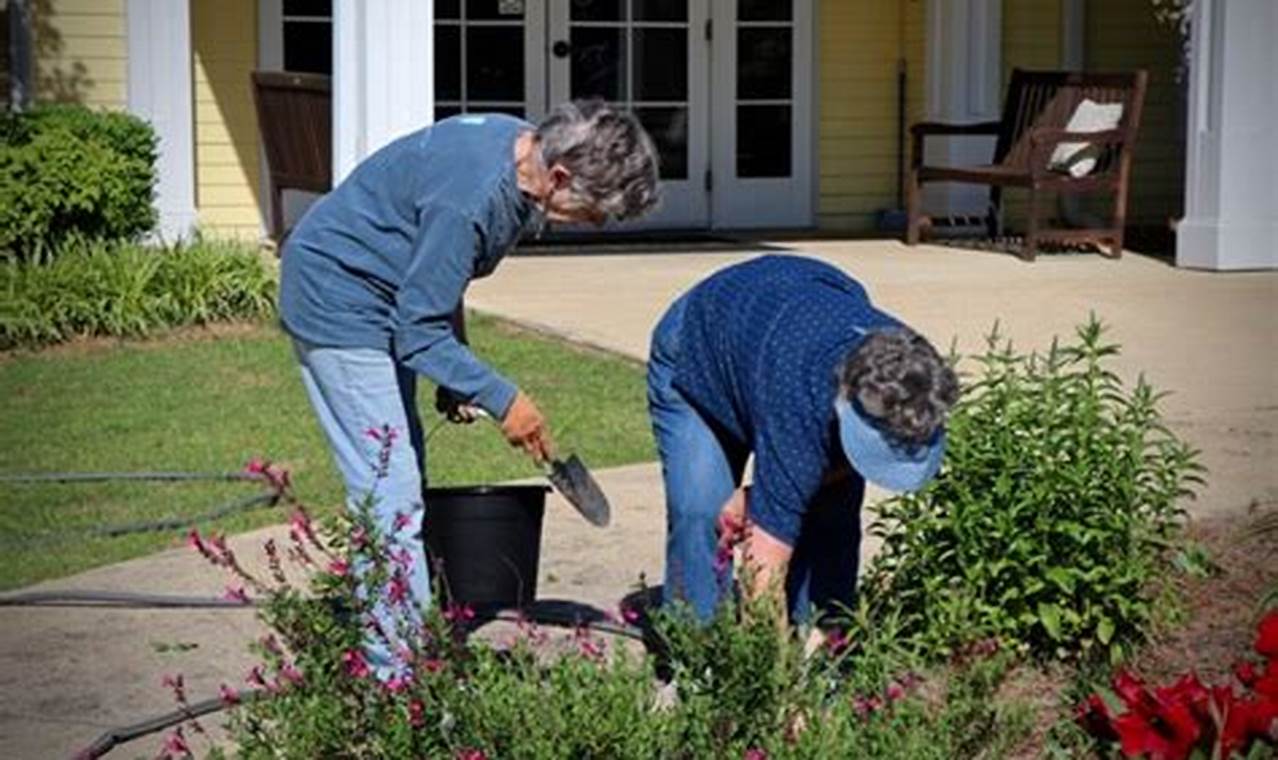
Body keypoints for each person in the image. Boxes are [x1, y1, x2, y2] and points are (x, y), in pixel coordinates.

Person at [279, 101, 660, 678]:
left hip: (388, 297)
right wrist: (505, 398)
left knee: (399, 481)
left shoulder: (519, 151)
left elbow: (437, 274)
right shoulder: (476, 197)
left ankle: (399, 635)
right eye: (595, 212)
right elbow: (418, 327)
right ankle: (396, 685)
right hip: (340, 299)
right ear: (559, 177)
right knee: (389, 491)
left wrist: (456, 372)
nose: (595, 225)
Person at [647, 254, 959, 625]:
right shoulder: (799, 397)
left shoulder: (910, 373)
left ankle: (826, 659)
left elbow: (836, 464)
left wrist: (759, 498)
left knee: (833, 518)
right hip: (699, 348)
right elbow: (763, 571)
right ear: (846, 400)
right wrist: (768, 676)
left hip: (786, 320)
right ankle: (697, 660)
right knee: (700, 507)